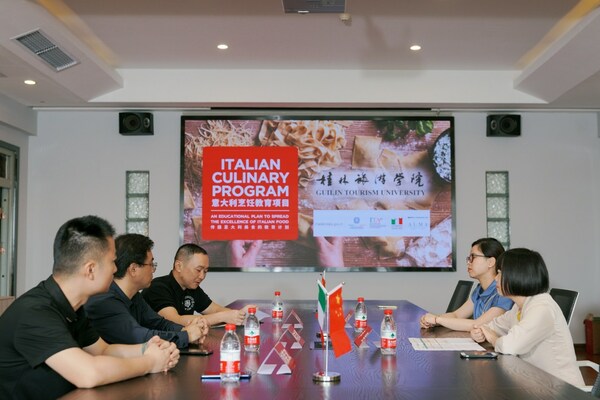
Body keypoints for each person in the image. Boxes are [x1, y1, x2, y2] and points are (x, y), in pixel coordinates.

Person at [0, 216, 179, 400]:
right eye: (112, 261)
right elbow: (88, 374)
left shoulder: (74, 307)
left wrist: (148, 348)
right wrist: (149, 362)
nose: (116, 268)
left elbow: (103, 350)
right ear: (90, 269)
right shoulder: (35, 312)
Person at [470, 248, 584, 387]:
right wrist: (480, 332)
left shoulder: (542, 308)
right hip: (535, 383)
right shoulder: (519, 306)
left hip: (562, 390)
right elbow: (491, 326)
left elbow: (508, 346)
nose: (495, 278)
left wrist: (492, 338)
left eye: (500, 273)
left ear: (518, 275)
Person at [85, 234, 208, 349]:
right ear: (133, 269)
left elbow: (159, 323)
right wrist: (186, 336)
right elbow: (139, 336)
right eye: (151, 264)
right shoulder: (104, 301)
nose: (153, 270)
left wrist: (186, 330)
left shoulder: (134, 297)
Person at [143, 243, 251, 326]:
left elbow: (215, 310)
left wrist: (241, 314)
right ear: (179, 266)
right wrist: (222, 317)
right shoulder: (157, 287)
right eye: (198, 270)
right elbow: (176, 321)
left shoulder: (192, 287)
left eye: (205, 271)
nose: (202, 276)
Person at [420, 238, 513, 331]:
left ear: (490, 262)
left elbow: (476, 324)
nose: (468, 263)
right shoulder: (479, 290)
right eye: (469, 258)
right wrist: (432, 321)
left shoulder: (504, 291)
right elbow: (456, 315)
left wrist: (437, 320)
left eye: (473, 257)